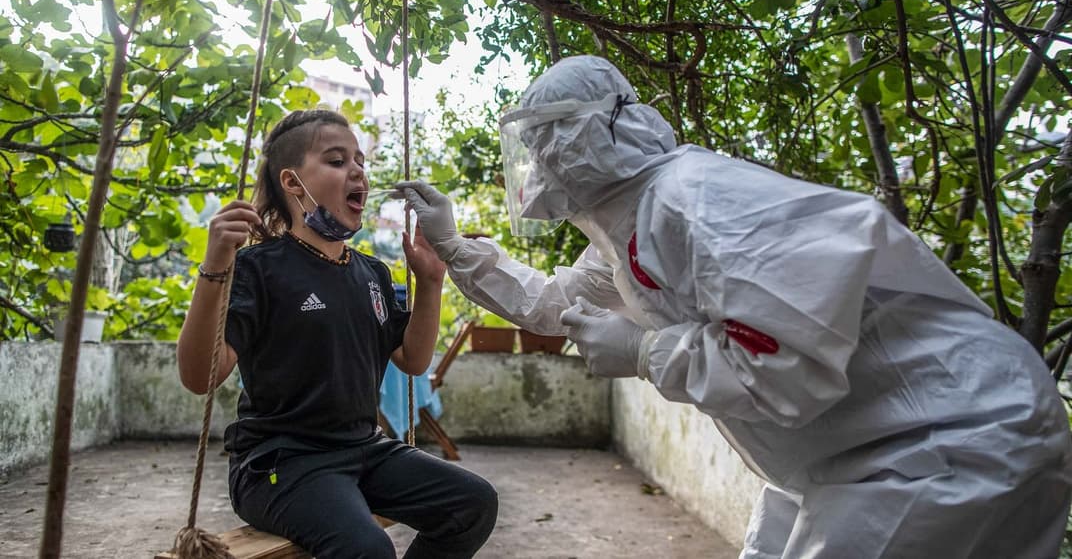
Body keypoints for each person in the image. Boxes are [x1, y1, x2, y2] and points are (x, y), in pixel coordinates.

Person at [395, 55, 1072, 558]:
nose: (538, 168)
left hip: (952, 435)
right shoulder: (629, 229)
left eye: (546, 144)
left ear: (585, 138)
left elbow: (785, 365)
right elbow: (556, 307)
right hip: (850, 452)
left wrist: (644, 351)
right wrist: (455, 245)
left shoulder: (701, 201)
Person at [177, 109, 497, 559]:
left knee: (473, 503)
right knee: (367, 549)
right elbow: (199, 377)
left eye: (360, 162)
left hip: (363, 451)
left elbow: (412, 359)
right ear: (293, 182)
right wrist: (213, 268)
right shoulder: (257, 267)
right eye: (337, 160)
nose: (358, 173)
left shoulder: (372, 273)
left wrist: (430, 282)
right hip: (279, 463)